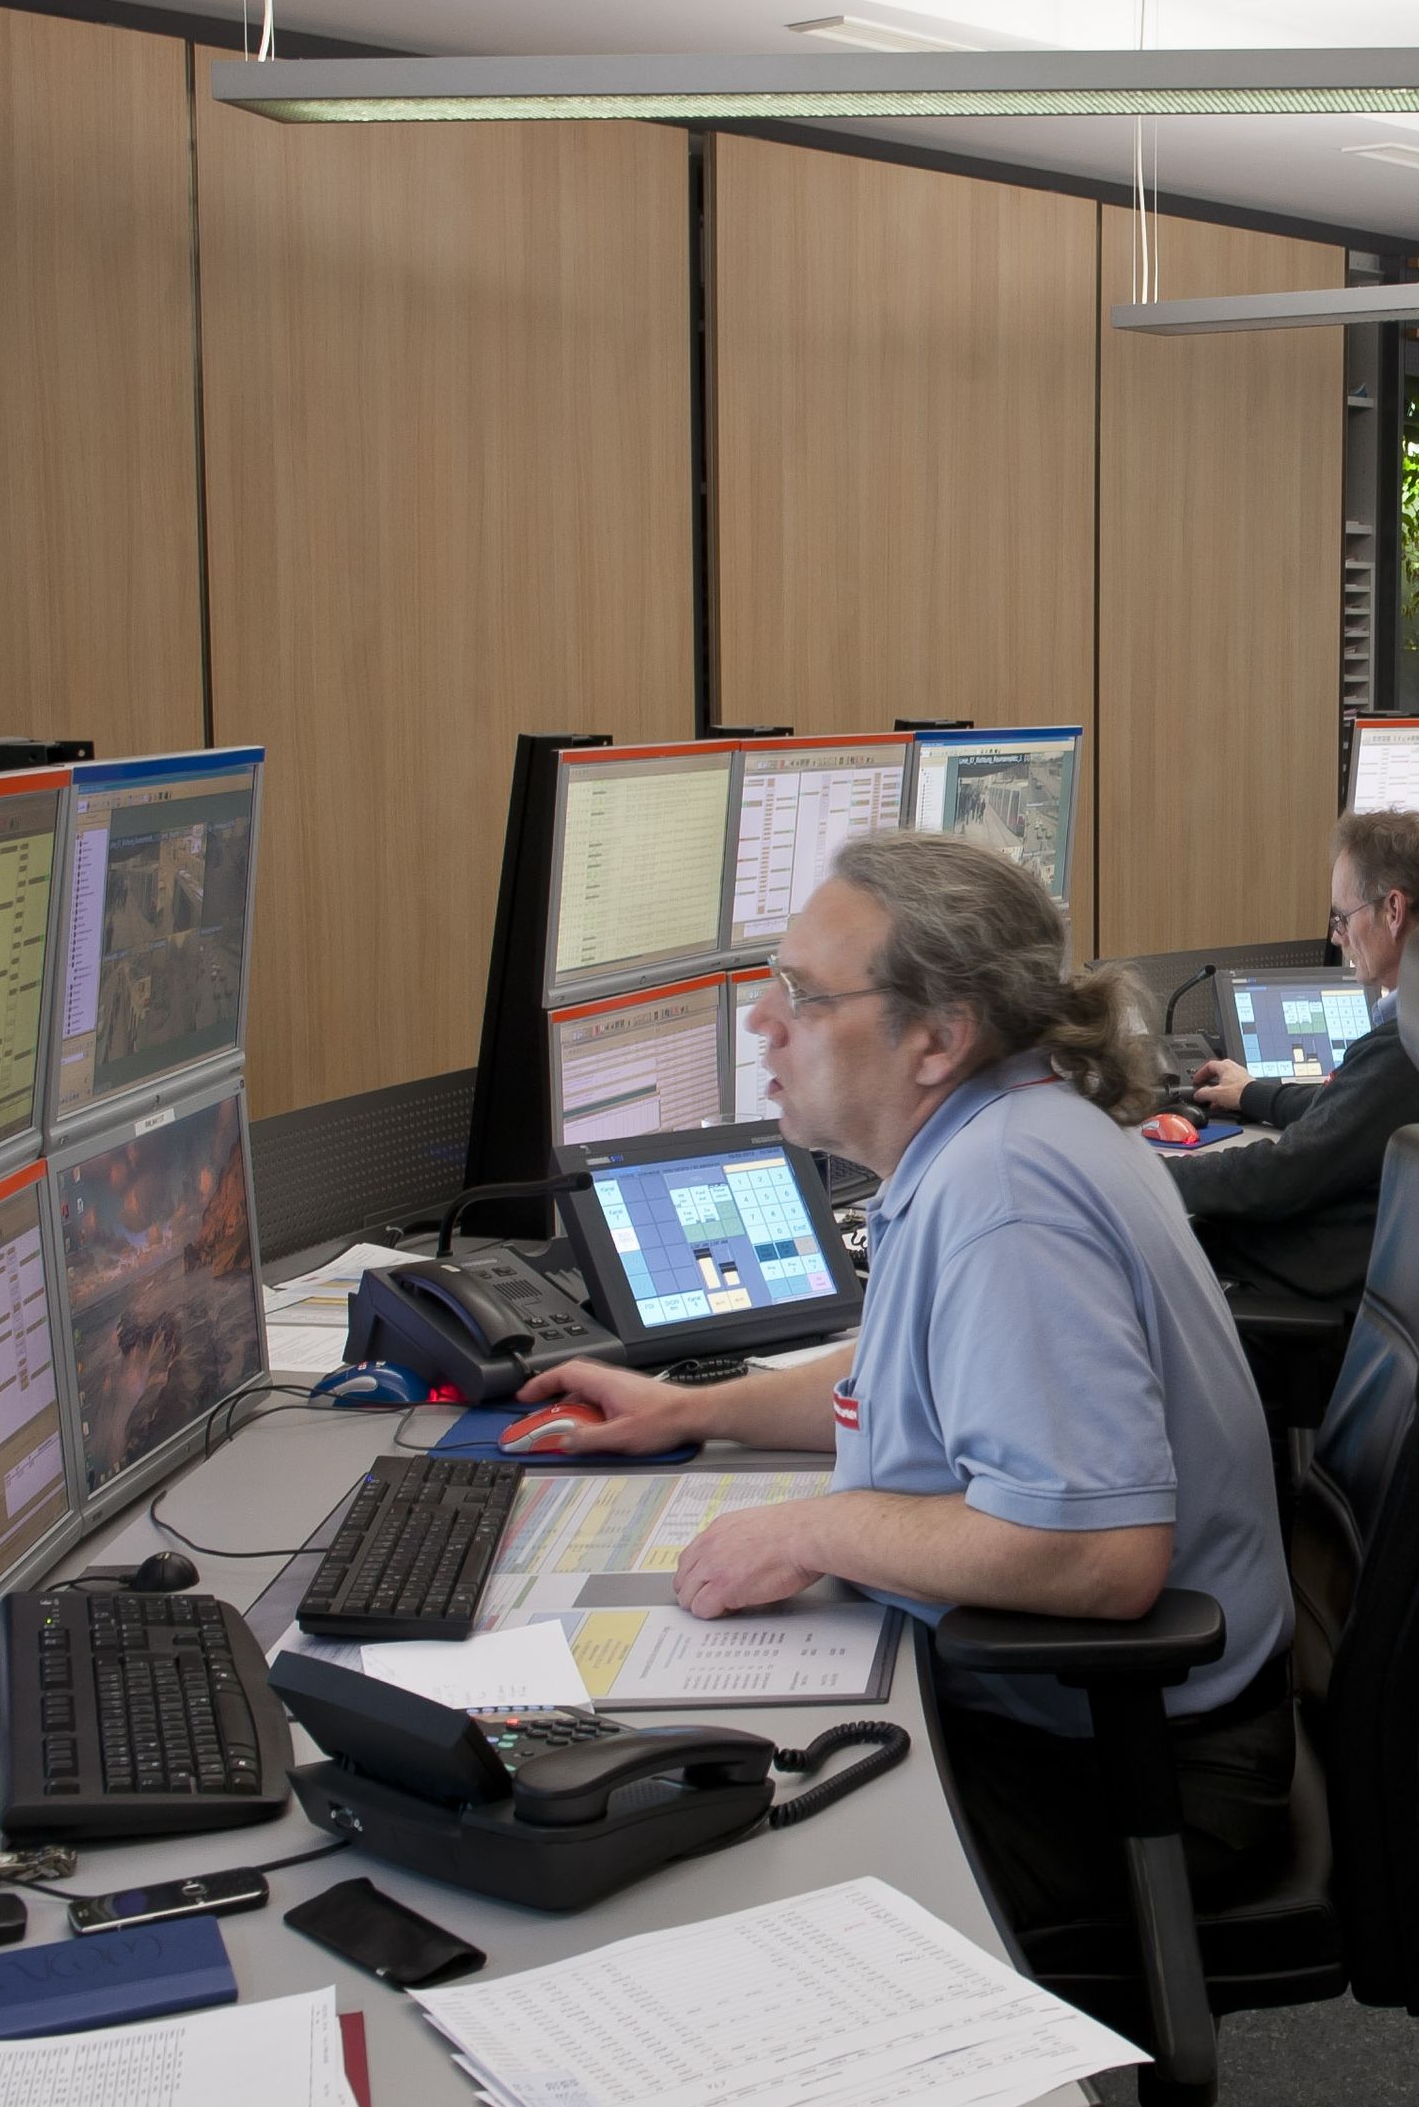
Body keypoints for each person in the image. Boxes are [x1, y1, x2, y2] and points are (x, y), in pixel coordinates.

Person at [514, 830, 1293, 1936]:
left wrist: (813, 1532)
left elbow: (1100, 1556)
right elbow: (907, 1372)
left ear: (937, 1037)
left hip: (1128, 1776)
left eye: (803, 994)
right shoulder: (1007, 1132)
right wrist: (690, 1412)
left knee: (687, 1898)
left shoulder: (1007, 1200)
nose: (762, 1020)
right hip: (1091, 1724)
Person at [1168, 808, 1419, 1302]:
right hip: (1384, 1258)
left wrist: (1149, 1174)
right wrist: (1254, 1093)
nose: (1336, 936)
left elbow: (1280, 1174)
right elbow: (1349, 1112)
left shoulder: (1408, 1046)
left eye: (1342, 917)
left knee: (1178, 1238)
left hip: (1338, 1281)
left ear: (1393, 911)